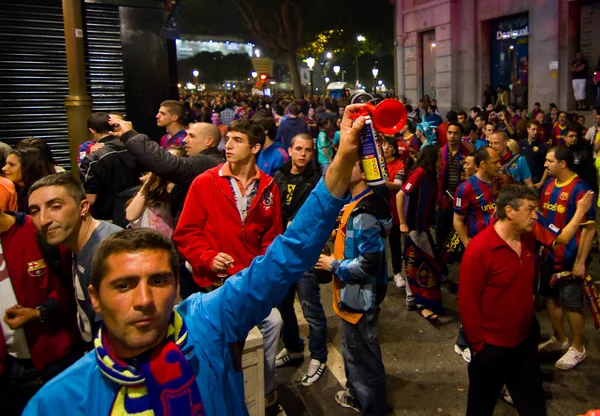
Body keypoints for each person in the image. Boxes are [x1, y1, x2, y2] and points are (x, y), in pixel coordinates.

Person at [22, 103, 367, 416]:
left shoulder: (207, 322)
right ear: (95, 297)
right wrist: (206, 257)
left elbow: (289, 247)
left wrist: (344, 159)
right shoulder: (59, 402)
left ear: (175, 287)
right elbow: (187, 232)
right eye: (123, 285)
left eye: (157, 280)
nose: (143, 300)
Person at [172, 119, 285, 413]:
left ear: (256, 147)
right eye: (228, 139)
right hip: (213, 283)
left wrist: (263, 276)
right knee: (223, 345)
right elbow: (185, 233)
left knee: (273, 324)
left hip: (249, 281)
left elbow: (271, 240)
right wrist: (208, 257)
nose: (228, 146)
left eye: (237, 140)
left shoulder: (269, 186)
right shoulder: (205, 182)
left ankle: (262, 390)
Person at [460, 184, 593, 416]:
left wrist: (580, 212)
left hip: (524, 341)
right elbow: (468, 303)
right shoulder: (480, 249)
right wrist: (479, 346)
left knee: (533, 407)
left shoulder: (530, 237)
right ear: (510, 211)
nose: (535, 215)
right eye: (530, 209)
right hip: (491, 347)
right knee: (480, 408)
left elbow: (561, 238)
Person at [316, 159, 391, 415]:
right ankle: (359, 396)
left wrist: (332, 265)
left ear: (363, 171)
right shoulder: (357, 205)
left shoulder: (364, 214)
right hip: (351, 299)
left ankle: (371, 406)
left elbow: (368, 264)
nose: (340, 167)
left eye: (348, 163)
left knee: (364, 361)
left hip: (359, 300)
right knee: (355, 354)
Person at [0, 208, 83, 415]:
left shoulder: (36, 229)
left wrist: (40, 312)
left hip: (56, 359)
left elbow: (73, 286)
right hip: (7, 374)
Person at [28, 174, 122, 345]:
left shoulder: (108, 253)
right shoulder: (77, 243)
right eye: (35, 211)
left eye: (55, 207)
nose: (43, 220)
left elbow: (119, 334)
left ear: (83, 207)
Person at [272, 133, 327, 387]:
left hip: (304, 255)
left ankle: (318, 356)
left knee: (311, 309)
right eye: (299, 149)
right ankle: (293, 348)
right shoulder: (278, 176)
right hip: (279, 253)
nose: (303, 154)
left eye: (308, 150)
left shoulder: (317, 182)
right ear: (290, 150)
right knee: (282, 307)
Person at [538, 147, 596, 370]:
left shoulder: (581, 190)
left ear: (562, 164)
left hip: (571, 259)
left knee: (572, 305)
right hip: (549, 255)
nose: (545, 164)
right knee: (551, 299)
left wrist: (581, 262)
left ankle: (578, 348)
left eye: (549, 161)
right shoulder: (549, 184)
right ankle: (560, 339)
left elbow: (590, 230)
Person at [453, 146, 501, 362]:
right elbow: (458, 221)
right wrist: (468, 245)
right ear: (483, 165)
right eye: (495, 162)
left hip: (498, 251)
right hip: (478, 252)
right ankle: (464, 342)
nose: (499, 165)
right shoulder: (466, 188)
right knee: (474, 298)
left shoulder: (501, 184)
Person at [397, 145, 443, 320]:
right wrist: (402, 223)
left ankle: (415, 298)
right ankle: (417, 300)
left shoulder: (431, 176)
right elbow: (400, 195)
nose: (441, 160)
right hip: (414, 228)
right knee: (415, 264)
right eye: (439, 156)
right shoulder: (420, 174)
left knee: (422, 263)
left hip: (423, 227)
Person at [78, 113, 143, 226]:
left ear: (92, 131)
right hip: (138, 213)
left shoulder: (92, 159)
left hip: (107, 219)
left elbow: (90, 198)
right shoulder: (134, 147)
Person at [436, 122, 471, 253]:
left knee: (459, 230)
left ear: (461, 135)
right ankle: (440, 257)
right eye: (449, 133)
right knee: (441, 230)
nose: (452, 136)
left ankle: (454, 255)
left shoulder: (468, 153)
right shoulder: (440, 152)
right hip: (444, 198)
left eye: (455, 133)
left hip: (462, 198)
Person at [382, 136, 406, 287]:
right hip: (377, 208)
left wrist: (379, 183)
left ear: (395, 149)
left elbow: (398, 185)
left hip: (393, 209)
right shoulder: (376, 163)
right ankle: (380, 273)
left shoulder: (399, 165)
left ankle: (397, 273)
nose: (385, 148)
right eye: (384, 144)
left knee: (395, 243)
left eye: (389, 146)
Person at [2, 147, 54, 212]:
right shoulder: (15, 191)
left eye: (11, 165)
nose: (4, 168)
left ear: (28, 167)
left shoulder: (42, 193)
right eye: (6, 164)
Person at [564, 124, 598, 194]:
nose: (574, 138)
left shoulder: (584, 151)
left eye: (576, 136)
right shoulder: (561, 151)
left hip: (581, 186)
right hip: (566, 185)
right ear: (565, 137)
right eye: (571, 136)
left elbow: (589, 174)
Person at [518, 120, 548, 187]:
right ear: (528, 129)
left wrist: (542, 182)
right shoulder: (520, 143)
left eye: (537, 130)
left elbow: (547, 165)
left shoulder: (543, 146)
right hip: (521, 180)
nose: (536, 132)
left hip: (535, 180)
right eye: (533, 129)